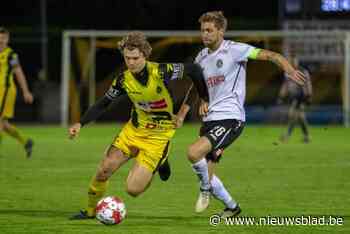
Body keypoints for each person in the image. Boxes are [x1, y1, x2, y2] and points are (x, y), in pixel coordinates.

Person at [175, 11, 306, 218]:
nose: (205, 34)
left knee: (193, 153)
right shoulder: (201, 56)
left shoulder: (236, 50)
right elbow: (196, 87)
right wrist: (183, 113)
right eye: (202, 30)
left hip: (231, 118)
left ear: (221, 31)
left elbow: (272, 55)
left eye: (209, 30)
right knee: (207, 169)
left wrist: (288, 69)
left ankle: (204, 190)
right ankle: (232, 207)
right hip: (210, 119)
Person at [68, 31, 209, 219]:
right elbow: (103, 103)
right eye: (127, 58)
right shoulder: (123, 80)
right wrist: (80, 123)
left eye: (135, 58)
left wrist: (203, 99)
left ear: (144, 55)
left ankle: (161, 160)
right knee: (103, 170)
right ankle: (90, 211)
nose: (131, 62)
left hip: (158, 138)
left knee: (133, 190)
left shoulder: (161, 71)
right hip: (132, 133)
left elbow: (195, 70)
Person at [0, 27, 34, 157]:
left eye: (3, 38)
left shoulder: (11, 55)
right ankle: (26, 142)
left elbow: (19, 72)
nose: (1, 40)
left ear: (7, 39)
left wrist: (26, 91)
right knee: (4, 124)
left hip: (6, 91)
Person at [278, 55, 312, 143]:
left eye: (294, 61)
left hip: (301, 97)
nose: (292, 63)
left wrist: (308, 96)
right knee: (300, 117)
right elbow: (285, 85)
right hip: (293, 96)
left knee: (293, 115)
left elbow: (307, 84)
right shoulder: (288, 72)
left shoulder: (303, 71)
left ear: (297, 62)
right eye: (291, 61)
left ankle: (287, 136)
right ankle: (306, 136)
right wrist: (281, 96)